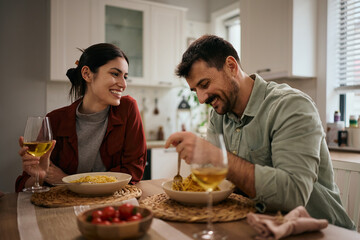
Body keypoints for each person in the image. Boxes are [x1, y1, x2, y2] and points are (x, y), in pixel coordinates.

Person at [165, 35, 355, 230]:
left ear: (231, 66)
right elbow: (214, 181)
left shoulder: (291, 106)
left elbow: (293, 195)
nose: (202, 98)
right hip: (260, 225)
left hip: (324, 231)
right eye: (195, 90)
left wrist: (216, 156)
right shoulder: (219, 115)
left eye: (204, 85)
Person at [16, 43, 147, 192]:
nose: (123, 84)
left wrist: (68, 181)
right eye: (115, 74)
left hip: (112, 203)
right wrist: (39, 176)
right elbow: (22, 185)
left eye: (125, 76)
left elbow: (134, 170)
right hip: (64, 208)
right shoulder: (54, 120)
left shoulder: (127, 108)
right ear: (87, 74)